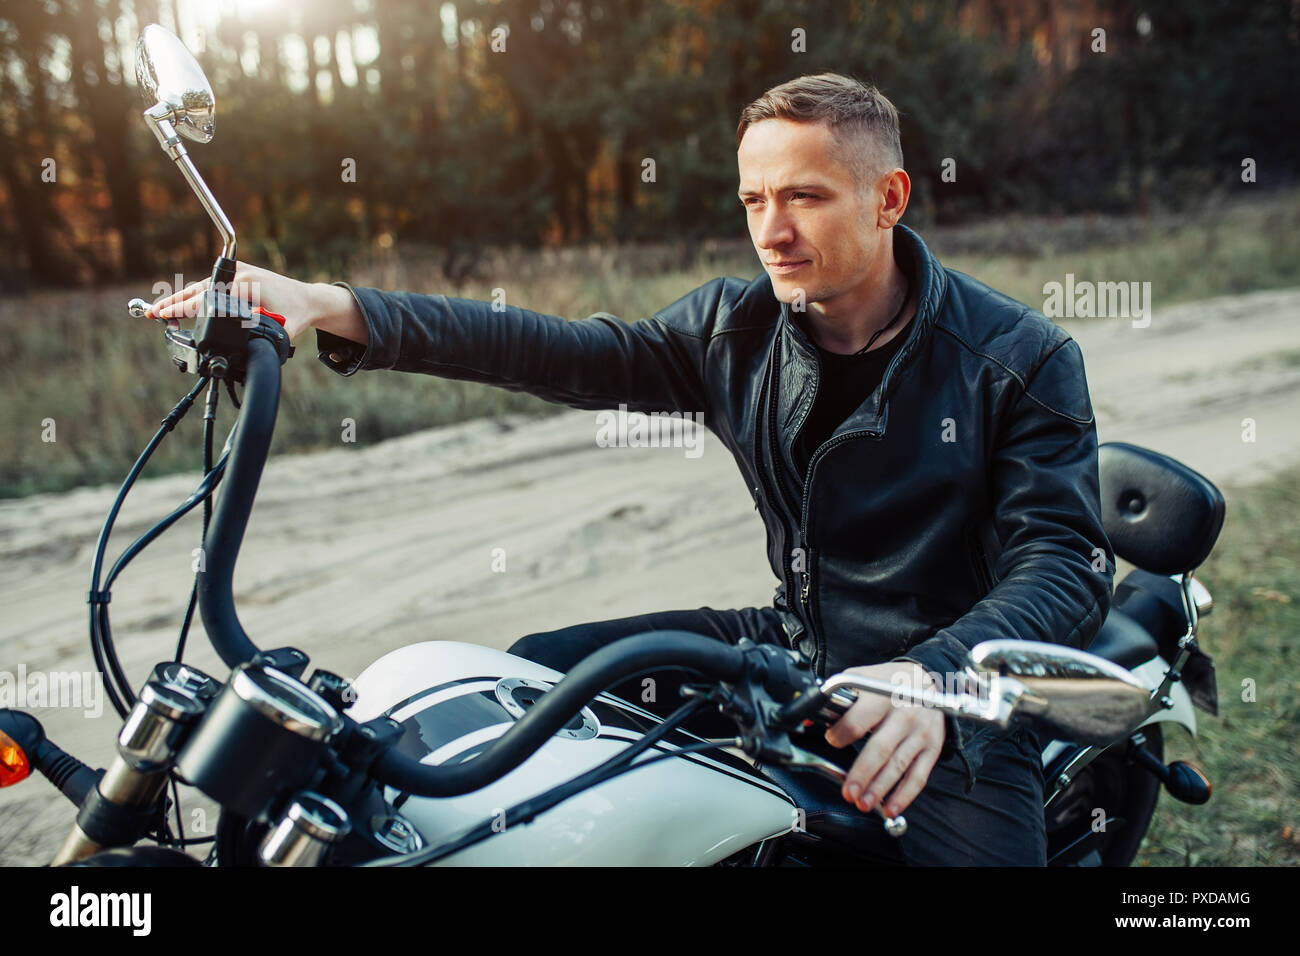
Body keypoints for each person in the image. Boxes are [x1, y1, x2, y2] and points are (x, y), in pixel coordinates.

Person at [148, 72, 1114, 865]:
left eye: (804, 197)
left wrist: (935, 681)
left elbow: (1066, 563)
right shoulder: (734, 330)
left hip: (955, 689)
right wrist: (327, 304)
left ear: (888, 198)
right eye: (753, 200)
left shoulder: (1016, 359)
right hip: (793, 645)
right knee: (532, 684)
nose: (771, 230)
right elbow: (552, 349)